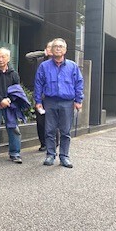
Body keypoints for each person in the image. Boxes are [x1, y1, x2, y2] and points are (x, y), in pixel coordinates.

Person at [34, 38, 84, 169]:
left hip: (67, 102)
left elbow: (79, 83)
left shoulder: (72, 66)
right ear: (51, 50)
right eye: (55, 46)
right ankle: (50, 155)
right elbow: (38, 84)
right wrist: (38, 101)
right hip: (50, 101)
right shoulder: (44, 66)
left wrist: (78, 100)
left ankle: (64, 156)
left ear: (65, 50)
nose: (58, 48)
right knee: (49, 130)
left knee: (65, 131)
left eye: (61, 46)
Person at [26, 41, 53, 151]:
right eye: (49, 47)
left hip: (53, 97)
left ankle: (54, 142)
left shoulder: (58, 62)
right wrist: (43, 53)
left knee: (52, 121)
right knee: (41, 122)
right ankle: (43, 143)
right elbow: (28, 56)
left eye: (53, 47)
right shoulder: (40, 60)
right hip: (40, 96)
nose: (51, 49)